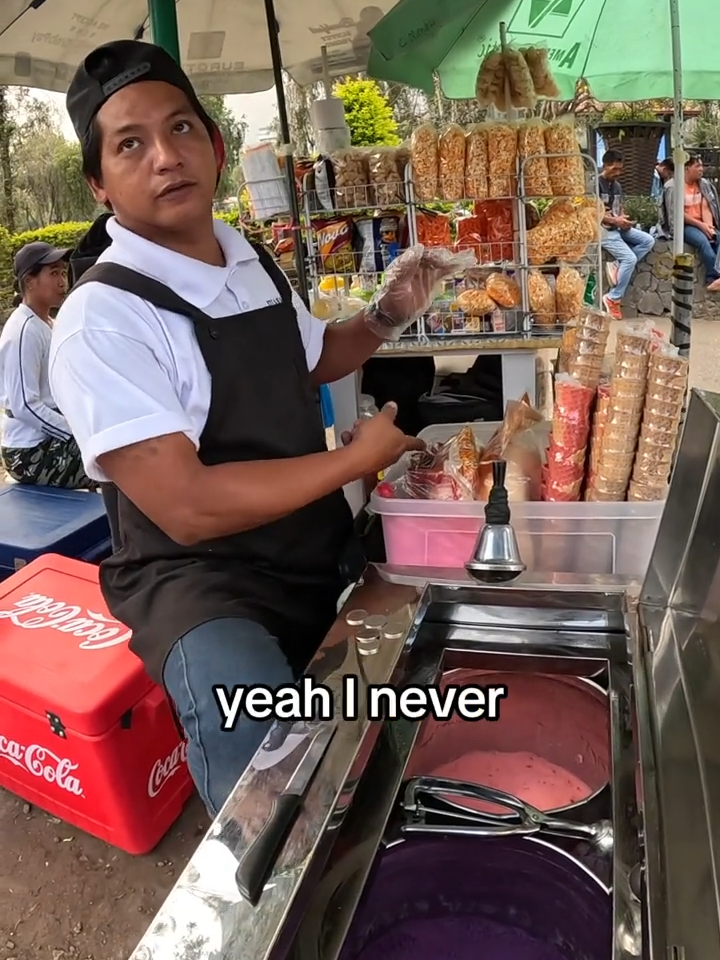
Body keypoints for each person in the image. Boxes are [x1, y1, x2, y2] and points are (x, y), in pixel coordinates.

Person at [49, 40, 430, 817]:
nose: (166, 157)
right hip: (202, 587)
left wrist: (390, 311)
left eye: (183, 128)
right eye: (130, 143)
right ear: (99, 181)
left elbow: (316, 356)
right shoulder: (102, 318)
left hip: (308, 549)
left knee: (373, 740)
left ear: (215, 146)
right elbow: (186, 505)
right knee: (269, 788)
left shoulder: (246, 255)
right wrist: (355, 460)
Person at [0, 242, 94, 488]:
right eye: (53, 273)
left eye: (63, 272)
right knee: (116, 462)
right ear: (29, 282)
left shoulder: (49, 323)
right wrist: (74, 431)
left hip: (51, 439)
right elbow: (24, 405)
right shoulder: (23, 331)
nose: (62, 281)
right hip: (30, 453)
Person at [598, 149, 655, 319]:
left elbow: (619, 208)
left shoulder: (617, 186)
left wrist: (624, 220)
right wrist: (616, 221)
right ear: (605, 165)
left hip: (617, 227)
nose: (618, 173)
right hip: (601, 230)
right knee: (629, 258)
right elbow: (591, 213)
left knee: (648, 240)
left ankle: (616, 265)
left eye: (620, 169)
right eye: (614, 169)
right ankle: (613, 298)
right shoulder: (594, 184)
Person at [663, 155, 720, 291]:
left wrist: (708, 227)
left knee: (716, 238)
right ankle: (713, 277)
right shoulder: (673, 186)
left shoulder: (704, 184)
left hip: (702, 223)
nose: (702, 169)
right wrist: (700, 226)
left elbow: (706, 206)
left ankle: (716, 278)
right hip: (684, 225)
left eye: (702, 166)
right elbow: (676, 213)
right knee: (703, 243)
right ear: (687, 168)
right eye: (697, 166)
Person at [651, 158, 674, 238]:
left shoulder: (660, 178)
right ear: (664, 169)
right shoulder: (654, 177)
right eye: (669, 174)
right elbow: (655, 197)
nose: (669, 177)